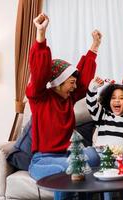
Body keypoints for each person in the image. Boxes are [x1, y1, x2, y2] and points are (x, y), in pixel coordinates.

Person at [26, 13, 102, 200]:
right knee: (70, 170)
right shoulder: (39, 97)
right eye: (71, 83)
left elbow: (83, 81)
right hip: (43, 160)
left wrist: (94, 47)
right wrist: (41, 34)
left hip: (68, 154)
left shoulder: (69, 98)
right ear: (59, 82)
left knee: (96, 156)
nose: (75, 87)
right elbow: (39, 72)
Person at [85, 73, 123, 166]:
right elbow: (91, 104)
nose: (117, 101)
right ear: (108, 100)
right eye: (113, 98)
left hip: (119, 157)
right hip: (99, 154)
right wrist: (93, 87)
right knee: (88, 152)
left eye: (121, 98)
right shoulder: (103, 116)